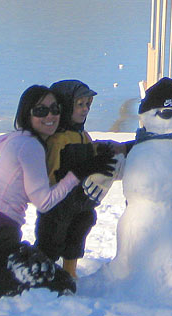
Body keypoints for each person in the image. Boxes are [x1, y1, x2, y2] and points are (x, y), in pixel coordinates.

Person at [0, 85, 116, 306]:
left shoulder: (20, 139)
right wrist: (79, 172)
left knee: (38, 272)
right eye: (41, 111)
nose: (50, 116)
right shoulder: (30, 146)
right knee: (54, 282)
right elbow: (44, 202)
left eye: (55, 109)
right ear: (26, 114)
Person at [35, 80, 125, 279]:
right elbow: (50, 173)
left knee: (80, 228)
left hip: (80, 199)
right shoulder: (58, 139)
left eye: (87, 105)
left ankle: (70, 270)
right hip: (59, 201)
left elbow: (92, 152)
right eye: (80, 104)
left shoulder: (82, 135)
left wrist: (103, 151)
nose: (85, 110)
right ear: (65, 106)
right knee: (53, 237)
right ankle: (44, 271)